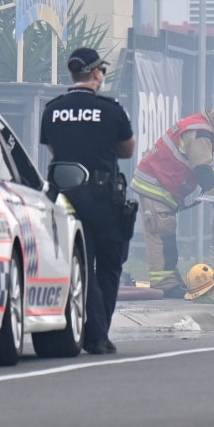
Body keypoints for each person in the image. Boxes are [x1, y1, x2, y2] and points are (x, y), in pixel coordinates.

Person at [40, 47, 136, 355]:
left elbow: (53, 150)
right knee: (108, 267)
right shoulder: (110, 110)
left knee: (81, 265)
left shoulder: (53, 109)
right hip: (103, 198)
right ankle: (98, 333)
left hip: (65, 197)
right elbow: (127, 151)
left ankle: (92, 331)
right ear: (96, 73)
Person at [129, 103, 214, 298]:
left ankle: (169, 280)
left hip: (159, 185)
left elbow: (200, 164)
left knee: (166, 236)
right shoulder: (201, 133)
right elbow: (202, 172)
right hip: (156, 186)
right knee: (161, 237)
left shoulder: (199, 127)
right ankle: (164, 284)